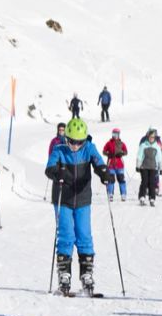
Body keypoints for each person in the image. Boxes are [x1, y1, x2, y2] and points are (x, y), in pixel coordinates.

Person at [45, 118, 112, 296]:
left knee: (84, 235)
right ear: (66, 137)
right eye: (71, 141)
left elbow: (98, 163)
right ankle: (64, 275)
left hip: (82, 199)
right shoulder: (59, 149)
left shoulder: (89, 148)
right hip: (63, 198)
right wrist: (57, 172)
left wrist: (104, 172)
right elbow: (49, 167)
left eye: (79, 142)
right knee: (66, 235)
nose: (75, 145)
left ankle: (86, 275)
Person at [136, 128, 162, 207]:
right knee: (144, 182)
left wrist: (161, 168)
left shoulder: (157, 147)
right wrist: (138, 166)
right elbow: (140, 156)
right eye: (150, 137)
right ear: (148, 137)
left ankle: (152, 198)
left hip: (153, 167)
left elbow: (159, 159)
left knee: (152, 183)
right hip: (144, 167)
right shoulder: (143, 145)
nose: (151, 139)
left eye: (153, 137)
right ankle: (142, 197)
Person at [102, 128, 128, 202]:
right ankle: (110, 194)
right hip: (111, 164)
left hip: (119, 164)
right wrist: (108, 154)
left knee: (121, 179)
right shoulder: (109, 143)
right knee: (111, 180)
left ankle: (123, 194)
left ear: (119, 135)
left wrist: (122, 153)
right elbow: (103, 151)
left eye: (116, 134)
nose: (115, 136)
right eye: (114, 134)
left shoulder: (121, 143)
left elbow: (126, 151)